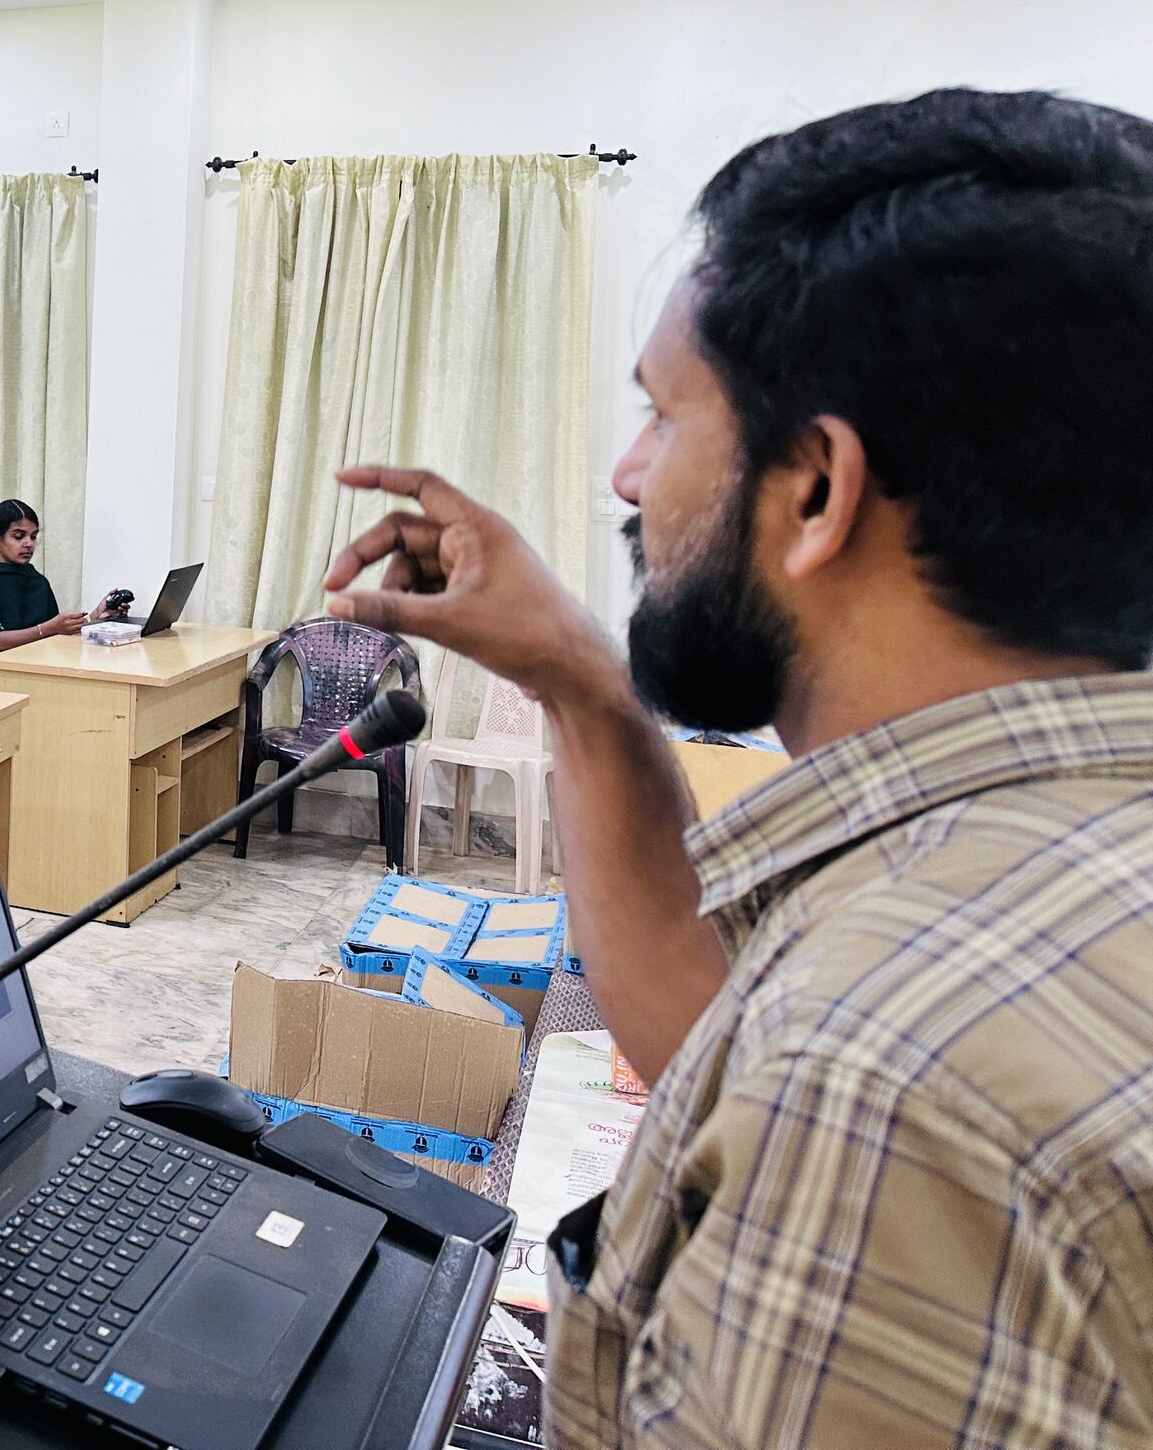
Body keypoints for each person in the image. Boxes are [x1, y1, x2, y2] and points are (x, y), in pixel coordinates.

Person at [319, 89, 1153, 1447]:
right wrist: (577, 677)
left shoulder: (881, 1080)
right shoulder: (1047, 852)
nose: (626, 475)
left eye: (662, 417)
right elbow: (719, 1041)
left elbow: (817, 1067)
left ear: (815, 487)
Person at [0, 499, 121, 668]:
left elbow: (55, 635)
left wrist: (96, 617)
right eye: (19, 536)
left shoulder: (36, 581)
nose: (29, 544)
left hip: (30, 668)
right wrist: (46, 629)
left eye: (33, 536)